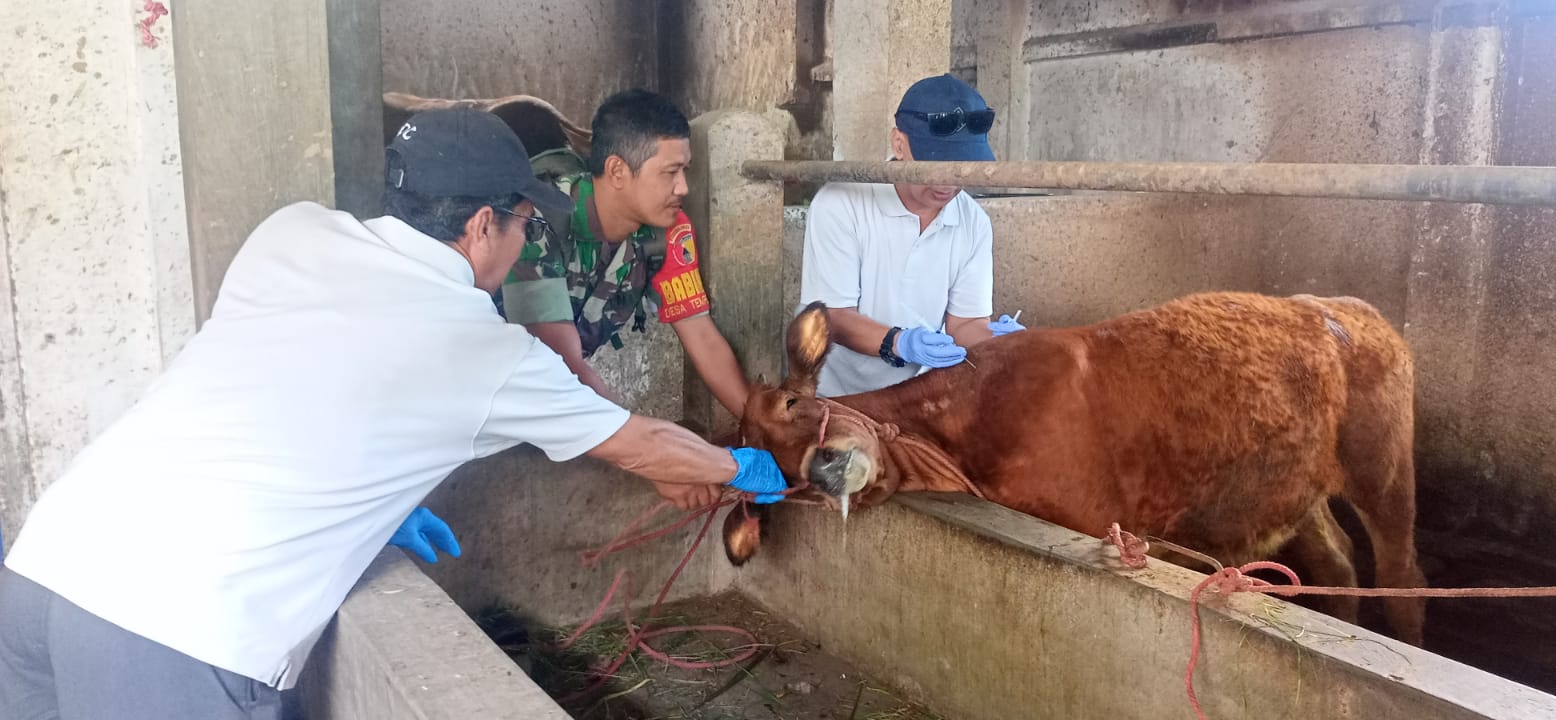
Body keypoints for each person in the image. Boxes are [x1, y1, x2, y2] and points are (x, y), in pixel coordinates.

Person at [0, 106, 787, 720]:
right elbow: (642, 445)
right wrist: (739, 467)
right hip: (175, 630)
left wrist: (372, 509)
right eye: (522, 224)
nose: (522, 243)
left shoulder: (292, 233)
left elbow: (286, 384)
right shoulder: (482, 349)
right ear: (484, 225)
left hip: (48, 562)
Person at [498, 89, 751, 417]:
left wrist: (762, 427)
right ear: (617, 171)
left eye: (685, 170)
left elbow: (701, 336)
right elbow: (560, 365)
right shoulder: (536, 222)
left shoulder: (668, 231)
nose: (683, 187)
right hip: (481, 396)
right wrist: (652, 444)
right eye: (670, 172)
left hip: (551, 396)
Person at [798, 73, 1025, 398]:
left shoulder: (973, 221)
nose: (947, 184)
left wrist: (1002, 342)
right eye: (935, 166)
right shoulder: (841, 202)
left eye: (962, 169)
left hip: (921, 395)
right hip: (837, 395)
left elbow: (965, 324)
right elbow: (833, 316)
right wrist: (899, 342)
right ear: (899, 144)